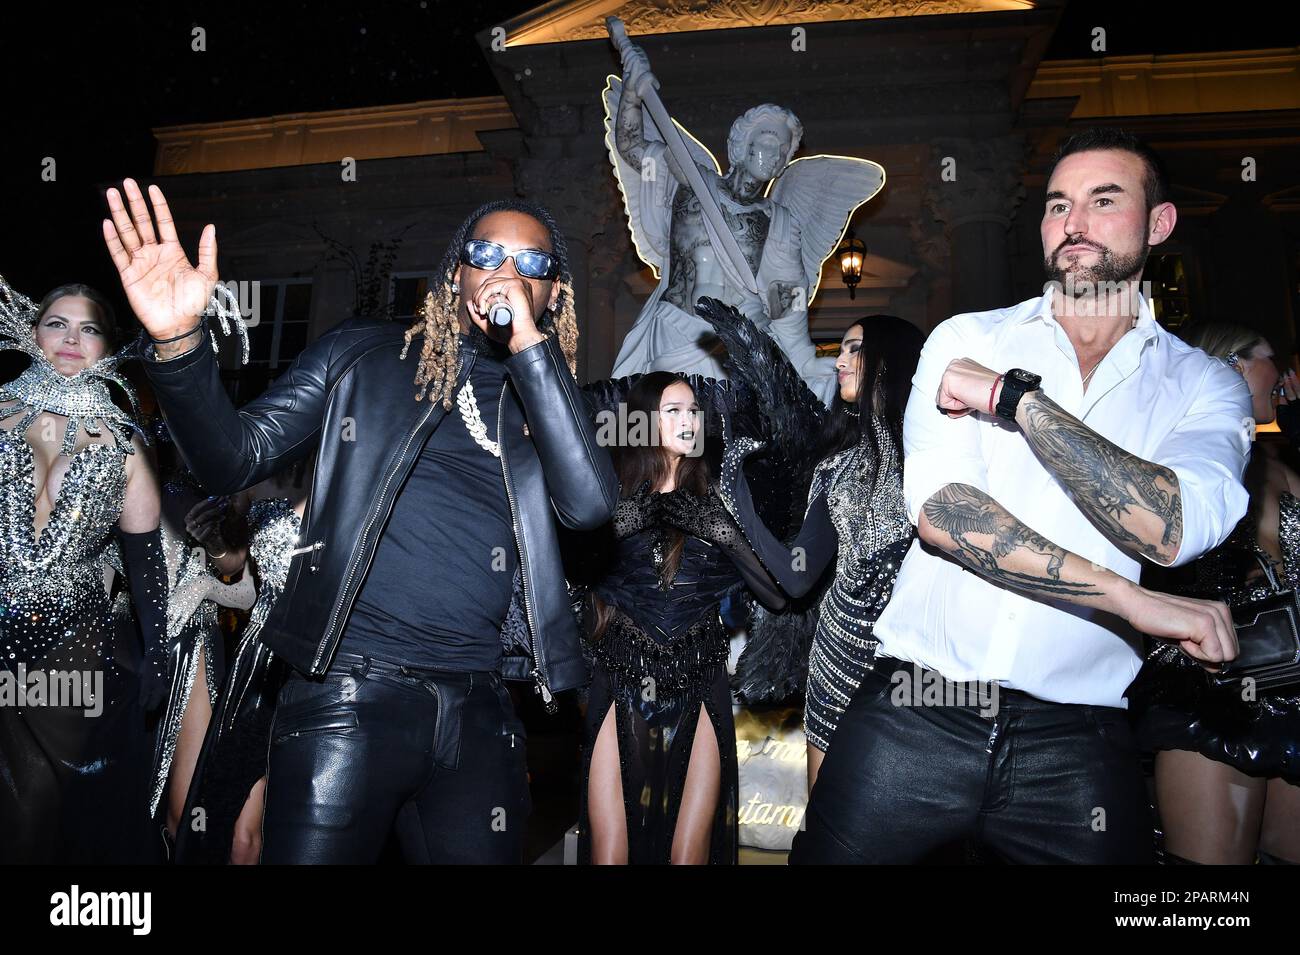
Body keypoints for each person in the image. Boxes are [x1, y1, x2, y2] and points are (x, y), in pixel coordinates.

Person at [101, 179, 618, 863]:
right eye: (488, 252)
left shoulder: (545, 403)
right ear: (456, 271)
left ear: (556, 296)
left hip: (480, 710)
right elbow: (233, 457)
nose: (506, 273)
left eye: (533, 264)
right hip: (348, 696)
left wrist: (529, 345)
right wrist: (179, 344)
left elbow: (590, 505)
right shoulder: (367, 354)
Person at [790, 127, 1251, 864]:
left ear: (1158, 224)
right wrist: (1130, 599)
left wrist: (1015, 403)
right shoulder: (964, 337)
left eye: (1104, 201)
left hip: (1079, 737)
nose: (1073, 224)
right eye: (1057, 205)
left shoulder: (1204, 385)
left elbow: (1171, 525)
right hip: (914, 710)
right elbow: (947, 517)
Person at [706, 308, 923, 789]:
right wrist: (736, 496)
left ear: (891, 360)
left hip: (916, 662)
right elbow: (797, 574)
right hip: (840, 657)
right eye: (840, 350)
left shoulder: (935, 455)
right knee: (827, 815)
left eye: (854, 349)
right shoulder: (835, 467)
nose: (840, 361)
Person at [575, 370, 783, 864]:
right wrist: (641, 515)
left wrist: (720, 529)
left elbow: (776, 594)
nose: (689, 419)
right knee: (610, 853)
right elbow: (576, 569)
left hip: (701, 676)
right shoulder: (608, 497)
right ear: (644, 423)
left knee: (688, 854)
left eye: (694, 410)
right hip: (621, 675)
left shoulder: (719, 498)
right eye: (674, 410)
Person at [0, 278, 169, 863]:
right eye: (57, 324)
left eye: (89, 328)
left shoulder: (124, 442)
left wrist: (158, 649)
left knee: (46, 802)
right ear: (32, 331)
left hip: (72, 641)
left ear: (107, 345)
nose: (72, 338)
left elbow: (145, 555)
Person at [1128, 322, 1300, 864]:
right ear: (1232, 367)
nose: (1287, 373)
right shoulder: (1182, 462)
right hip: (1206, 691)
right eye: (1270, 357)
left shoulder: (1280, 465)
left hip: (1288, 691)